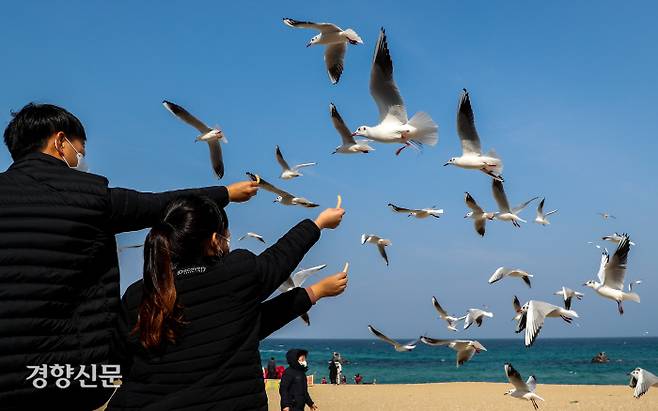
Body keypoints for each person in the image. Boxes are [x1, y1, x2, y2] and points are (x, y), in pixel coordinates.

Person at [0, 103, 258, 410]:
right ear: (59, 142)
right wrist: (226, 193)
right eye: (79, 148)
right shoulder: (91, 198)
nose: (80, 157)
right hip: (66, 374)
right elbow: (161, 206)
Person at [108, 195, 347, 410]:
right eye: (225, 233)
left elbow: (121, 360)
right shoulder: (235, 274)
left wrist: (315, 292)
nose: (228, 238)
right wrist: (318, 223)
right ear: (214, 239)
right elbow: (280, 258)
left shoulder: (137, 295)